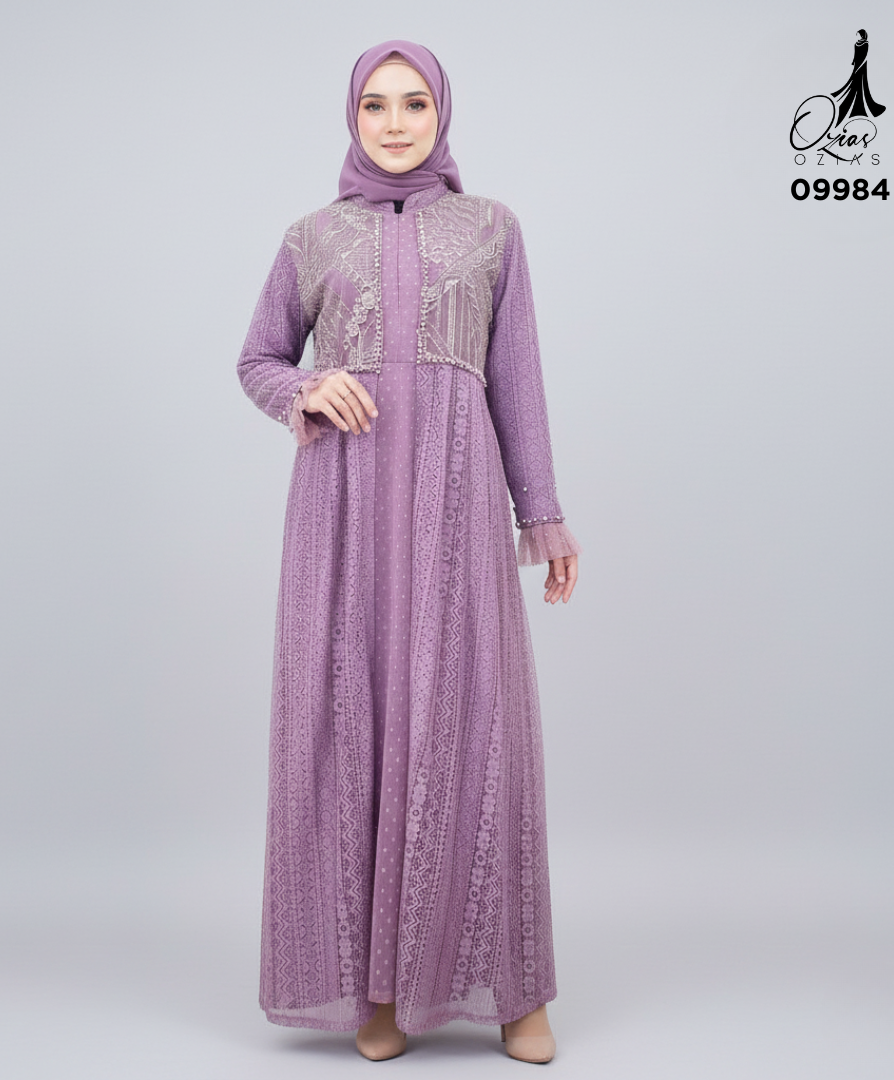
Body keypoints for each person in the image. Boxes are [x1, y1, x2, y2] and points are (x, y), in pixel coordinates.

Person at [237, 39, 579, 1063]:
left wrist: (542, 515)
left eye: (414, 103)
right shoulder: (312, 237)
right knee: (352, 727)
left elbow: (516, 379)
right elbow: (257, 358)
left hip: (456, 508)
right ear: (353, 117)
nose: (395, 123)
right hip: (342, 513)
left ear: (442, 113)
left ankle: (514, 990)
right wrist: (307, 387)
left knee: (476, 727)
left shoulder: (492, 229)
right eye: (376, 105)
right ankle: (374, 989)